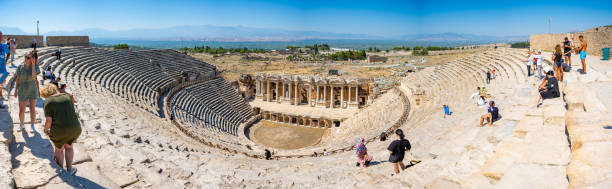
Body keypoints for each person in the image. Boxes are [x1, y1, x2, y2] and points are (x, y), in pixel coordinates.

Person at [39, 84, 81, 175]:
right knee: (69, 147)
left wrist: (45, 130)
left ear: (45, 94)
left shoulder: (48, 101)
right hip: (75, 128)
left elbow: (48, 120)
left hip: (59, 131)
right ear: (54, 90)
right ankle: (69, 169)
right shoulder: (67, 96)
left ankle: (61, 170)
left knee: (59, 150)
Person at [15, 51, 40, 132]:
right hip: (22, 89)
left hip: (32, 89)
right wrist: (15, 90)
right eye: (26, 56)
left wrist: (33, 64)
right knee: (22, 110)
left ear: (32, 58)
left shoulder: (35, 66)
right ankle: (21, 124)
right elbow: (18, 79)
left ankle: (32, 125)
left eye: (28, 57)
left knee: (32, 108)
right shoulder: (20, 67)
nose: (26, 58)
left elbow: (34, 76)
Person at [0, 31, 9, 101]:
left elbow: (8, 53)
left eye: (1, 35)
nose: (0, 37)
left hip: (2, 67)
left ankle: (1, 95)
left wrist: (5, 61)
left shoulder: (4, 45)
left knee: (2, 82)